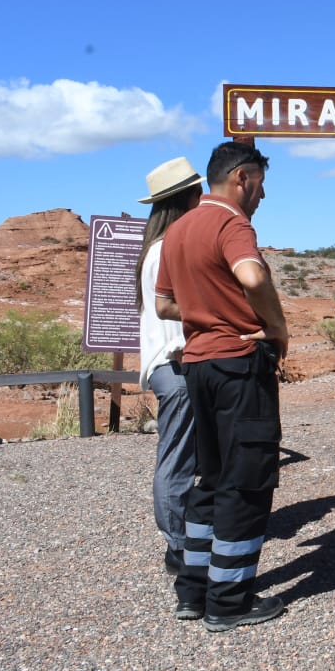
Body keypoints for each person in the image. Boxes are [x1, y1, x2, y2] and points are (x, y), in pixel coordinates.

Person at [155, 141, 289, 631]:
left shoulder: (178, 229)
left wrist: (205, 311)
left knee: (210, 478)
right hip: (238, 366)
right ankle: (229, 602)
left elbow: (164, 305)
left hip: (198, 366)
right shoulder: (232, 223)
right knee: (246, 481)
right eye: (260, 184)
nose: (262, 195)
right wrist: (275, 328)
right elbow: (251, 276)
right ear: (241, 178)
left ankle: (193, 591)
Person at [135, 156, 203, 577]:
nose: (202, 198)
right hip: (175, 366)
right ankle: (177, 545)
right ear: (185, 199)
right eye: (197, 193)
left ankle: (183, 536)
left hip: (166, 367)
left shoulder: (154, 247)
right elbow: (172, 315)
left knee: (179, 454)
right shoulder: (167, 250)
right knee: (176, 458)